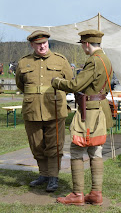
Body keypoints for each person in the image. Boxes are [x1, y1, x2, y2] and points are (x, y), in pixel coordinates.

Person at [52, 30, 113, 206]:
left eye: (82, 45)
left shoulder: (93, 61)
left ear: (86, 44)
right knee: (96, 150)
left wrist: (57, 82)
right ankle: (95, 194)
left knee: (77, 149)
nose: (83, 48)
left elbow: (75, 85)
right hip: (99, 109)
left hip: (90, 112)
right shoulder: (106, 59)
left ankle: (77, 194)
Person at [15, 30, 73, 192]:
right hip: (32, 109)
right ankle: (44, 174)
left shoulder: (60, 60)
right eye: (38, 44)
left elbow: (68, 83)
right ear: (32, 45)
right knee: (37, 144)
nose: (42, 46)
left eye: (44, 43)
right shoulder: (23, 62)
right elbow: (21, 84)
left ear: (48, 42)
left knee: (54, 144)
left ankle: (53, 177)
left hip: (54, 108)